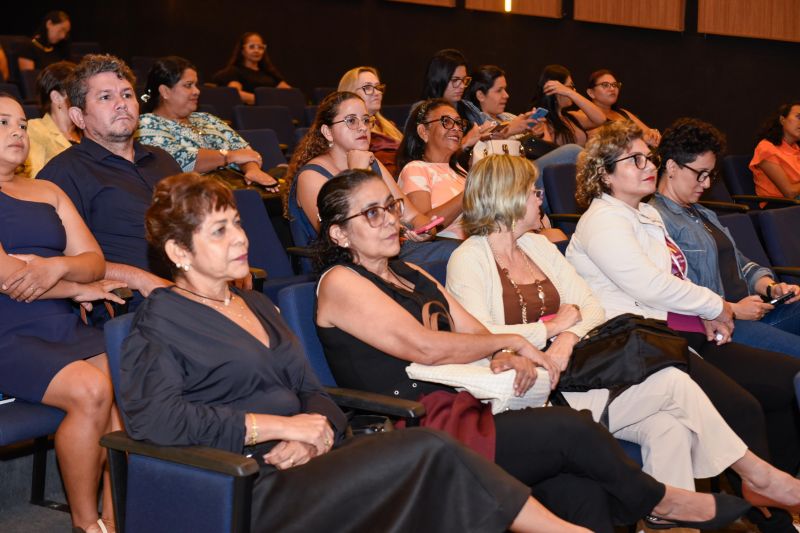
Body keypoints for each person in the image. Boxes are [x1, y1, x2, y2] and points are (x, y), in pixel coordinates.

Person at [121, 171, 602, 533]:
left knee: (556, 483)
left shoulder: (256, 305)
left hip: (312, 457)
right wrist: (277, 429)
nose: (242, 238)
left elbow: (315, 392)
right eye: (219, 231)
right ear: (179, 253)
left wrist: (319, 432)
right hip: (244, 481)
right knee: (431, 450)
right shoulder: (160, 320)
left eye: (237, 224)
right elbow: (155, 421)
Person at [312, 168, 752, 533]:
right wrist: (512, 341)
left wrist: (503, 353)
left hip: (468, 405)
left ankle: (657, 507)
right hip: (415, 427)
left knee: (584, 495)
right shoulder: (340, 282)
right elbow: (424, 347)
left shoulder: (409, 271)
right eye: (372, 214)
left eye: (389, 207)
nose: (390, 219)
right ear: (339, 233)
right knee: (570, 429)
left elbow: (474, 331)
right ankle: (663, 502)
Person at [446, 153, 800, 498]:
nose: (541, 199)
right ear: (506, 197)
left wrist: (566, 340)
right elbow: (480, 337)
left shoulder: (537, 247)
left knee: (669, 425)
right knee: (676, 386)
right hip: (525, 391)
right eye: (533, 192)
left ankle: (675, 522)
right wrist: (551, 330)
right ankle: (757, 476)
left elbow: (590, 307)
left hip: (573, 375)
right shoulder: (468, 258)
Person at [566, 120, 800, 531]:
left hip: (662, 340)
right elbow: (647, 285)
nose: (647, 165)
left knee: (778, 388)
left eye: (648, 157)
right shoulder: (604, 220)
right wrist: (716, 306)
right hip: (626, 353)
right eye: (634, 159)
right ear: (604, 173)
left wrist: (705, 314)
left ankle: (765, 495)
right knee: (742, 407)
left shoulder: (641, 217)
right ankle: (767, 496)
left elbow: (671, 286)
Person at [0, 92, 126, 533]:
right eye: (2, 123)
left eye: (20, 124)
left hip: (62, 325)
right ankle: (85, 524)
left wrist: (56, 266)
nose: (16, 132)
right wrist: (77, 288)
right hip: (9, 330)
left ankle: (115, 519)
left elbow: (94, 258)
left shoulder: (47, 190)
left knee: (127, 386)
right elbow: (9, 278)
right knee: (91, 390)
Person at [38, 54, 181, 312]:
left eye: (127, 95)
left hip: (197, 290)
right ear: (78, 117)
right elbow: (60, 260)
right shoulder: (63, 174)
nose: (121, 104)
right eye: (106, 97)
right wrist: (140, 278)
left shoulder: (163, 160)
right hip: (137, 306)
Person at [651, 118, 800, 357]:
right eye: (701, 174)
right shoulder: (655, 220)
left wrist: (772, 288)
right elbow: (674, 292)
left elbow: (742, 264)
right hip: (723, 324)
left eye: (710, 174)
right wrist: (732, 309)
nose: (707, 183)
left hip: (754, 310)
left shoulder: (703, 212)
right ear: (671, 167)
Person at [285, 91, 458, 263]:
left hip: (389, 255)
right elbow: (345, 239)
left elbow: (411, 216)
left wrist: (425, 230)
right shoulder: (311, 176)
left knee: (463, 252)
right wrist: (357, 171)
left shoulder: (372, 161)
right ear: (328, 132)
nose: (363, 127)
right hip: (348, 266)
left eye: (366, 120)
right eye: (351, 121)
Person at [136, 56, 278, 189]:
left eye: (196, 85)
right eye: (188, 85)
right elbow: (178, 161)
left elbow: (245, 151)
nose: (197, 91)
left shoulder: (206, 118)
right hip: (189, 201)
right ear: (165, 91)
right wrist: (229, 156)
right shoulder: (146, 123)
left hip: (234, 191)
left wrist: (252, 170)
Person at [463, 65, 583, 212]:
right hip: (507, 183)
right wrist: (508, 131)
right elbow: (483, 159)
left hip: (527, 174)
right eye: (499, 90)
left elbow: (541, 149)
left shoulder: (510, 117)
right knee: (573, 152)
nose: (506, 95)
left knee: (564, 170)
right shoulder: (476, 124)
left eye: (505, 89)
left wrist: (536, 134)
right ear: (481, 95)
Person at [397, 98, 468, 240]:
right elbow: (424, 226)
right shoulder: (415, 169)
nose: (456, 128)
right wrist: (469, 194)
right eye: (446, 121)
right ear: (424, 131)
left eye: (459, 123)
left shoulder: (462, 172)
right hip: (445, 254)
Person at [419, 49, 493, 150]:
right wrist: (466, 141)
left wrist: (503, 130)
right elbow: (430, 155)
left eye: (464, 80)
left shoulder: (466, 106)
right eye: (455, 80)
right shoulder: (423, 111)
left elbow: (489, 124)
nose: (462, 86)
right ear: (439, 80)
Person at [337, 66, 403, 176]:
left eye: (378, 87)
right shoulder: (348, 134)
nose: (377, 92)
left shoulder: (389, 126)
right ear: (350, 93)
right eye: (367, 87)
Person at [22, 61, 80, 178]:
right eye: (76, 93)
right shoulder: (35, 129)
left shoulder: (87, 131)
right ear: (57, 97)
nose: (84, 98)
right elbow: (35, 179)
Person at [575, 69, 660, 146]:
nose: (612, 88)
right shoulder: (582, 115)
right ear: (590, 93)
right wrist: (641, 139)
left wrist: (652, 135)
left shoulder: (623, 113)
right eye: (605, 85)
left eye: (615, 85)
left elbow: (648, 133)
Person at [531, 64, 605, 147]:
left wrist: (570, 92)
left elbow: (601, 119)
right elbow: (546, 151)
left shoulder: (571, 117)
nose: (574, 91)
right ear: (557, 91)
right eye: (571, 86)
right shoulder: (542, 120)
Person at [212, 32, 290, 105]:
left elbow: (290, 93)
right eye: (252, 47)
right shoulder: (235, 71)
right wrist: (267, 101)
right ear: (242, 50)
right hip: (250, 113)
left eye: (260, 47)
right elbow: (235, 93)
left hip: (275, 112)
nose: (256, 51)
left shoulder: (269, 73)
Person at [750, 101, 800, 201]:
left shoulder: (796, 148)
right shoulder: (766, 148)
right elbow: (789, 192)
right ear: (782, 120)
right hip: (780, 206)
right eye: (799, 117)